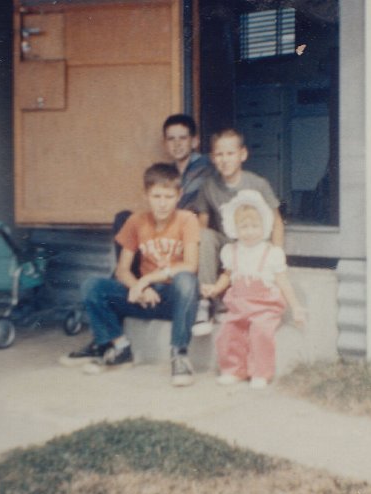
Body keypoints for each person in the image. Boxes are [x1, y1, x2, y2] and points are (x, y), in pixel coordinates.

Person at [60, 163, 200, 387]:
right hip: (143, 298)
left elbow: (190, 265)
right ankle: (120, 346)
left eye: (168, 196)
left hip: (174, 299)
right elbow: (122, 270)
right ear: (145, 195)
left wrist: (147, 280)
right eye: (156, 196)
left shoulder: (187, 219)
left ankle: (179, 355)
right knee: (92, 286)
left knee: (186, 280)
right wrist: (140, 287)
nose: (162, 203)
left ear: (179, 195)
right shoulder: (136, 221)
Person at [201, 190, 305, 389]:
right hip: (239, 304)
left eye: (255, 226)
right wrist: (215, 288)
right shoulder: (232, 251)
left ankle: (260, 373)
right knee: (229, 331)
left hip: (265, 306)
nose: (249, 232)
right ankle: (234, 370)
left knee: (260, 332)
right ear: (234, 228)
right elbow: (226, 276)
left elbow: (283, 281)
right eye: (244, 227)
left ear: (264, 226)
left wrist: (297, 307)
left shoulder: (271, 253)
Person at [192, 128, 285, 331]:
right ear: (212, 157)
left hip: (254, 244)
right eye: (219, 154)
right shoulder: (208, 186)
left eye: (230, 153)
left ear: (242, 154)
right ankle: (205, 303)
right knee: (204, 235)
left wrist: (276, 252)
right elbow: (202, 223)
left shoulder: (257, 183)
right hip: (229, 246)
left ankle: (233, 305)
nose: (225, 160)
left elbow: (277, 221)